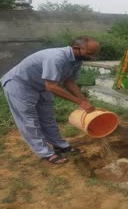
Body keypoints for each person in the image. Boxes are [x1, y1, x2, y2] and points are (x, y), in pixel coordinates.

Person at [0, 36, 100, 164]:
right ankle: (45, 153)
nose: (93, 57)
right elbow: (51, 86)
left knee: (48, 118)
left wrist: (84, 100)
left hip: (41, 86)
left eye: (95, 54)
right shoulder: (56, 57)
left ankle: (60, 145)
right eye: (90, 53)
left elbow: (69, 82)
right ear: (76, 48)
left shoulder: (77, 60)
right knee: (29, 120)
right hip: (21, 85)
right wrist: (79, 102)